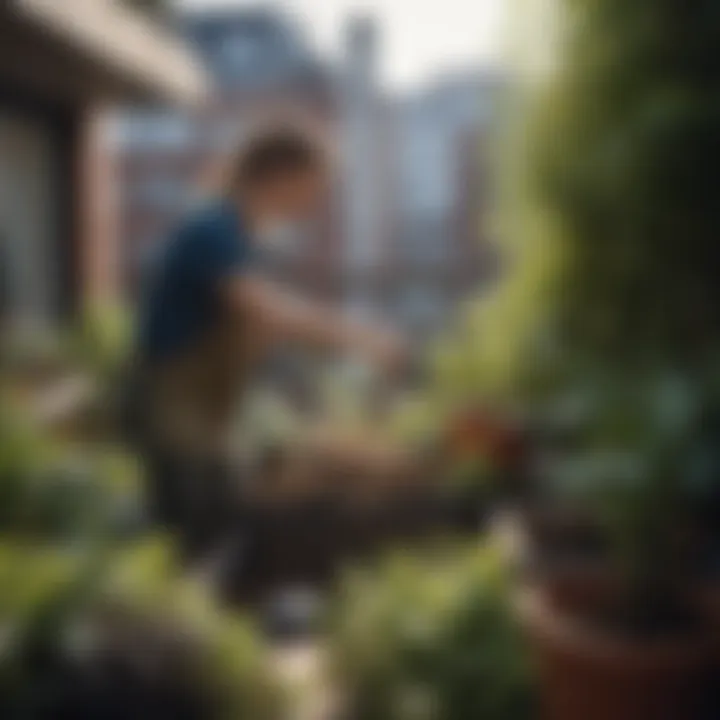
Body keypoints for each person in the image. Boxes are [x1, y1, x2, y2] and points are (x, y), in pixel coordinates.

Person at [125, 126, 405, 570]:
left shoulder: (239, 236)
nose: (316, 198)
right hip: (177, 412)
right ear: (280, 175)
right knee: (189, 539)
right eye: (314, 183)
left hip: (210, 419)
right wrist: (363, 340)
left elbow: (268, 326)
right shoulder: (212, 230)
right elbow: (264, 310)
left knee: (215, 536)